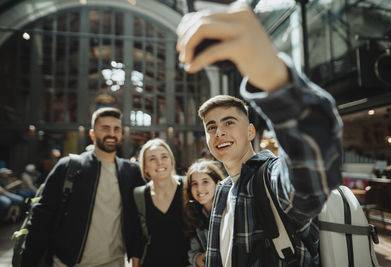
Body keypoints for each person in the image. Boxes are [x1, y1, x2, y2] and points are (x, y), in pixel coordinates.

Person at [176, 3, 343, 267]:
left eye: (229, 122)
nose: (219, 131)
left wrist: (273, 76)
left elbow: (314, 166)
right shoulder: (222, 190)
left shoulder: (272, 178)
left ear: (251, 131)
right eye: (211, 127)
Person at [21, 107, 144, 267]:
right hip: (66, 262)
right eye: (105, 128)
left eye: (116, 129)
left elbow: (138, 220)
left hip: (113, 262)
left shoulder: (131, 172)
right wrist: (28, 260)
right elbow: (42, 216)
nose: (111, 134)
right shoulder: (69, 167)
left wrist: (136, 255)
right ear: (92, 134)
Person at [132, 138, 189, 267]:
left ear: (172, 161)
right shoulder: (139, 195)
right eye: (152, 159)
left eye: (164, 157)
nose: (159, 162)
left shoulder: (188, 188)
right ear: (145, 168)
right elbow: (137, 240)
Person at [183, 160, 225, 267]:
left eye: (205, 181)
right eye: (194, 184)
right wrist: (199, 259)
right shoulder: (195, 214)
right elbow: (193, 253)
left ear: (217, 183)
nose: (199, 189)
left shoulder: (229, 210)